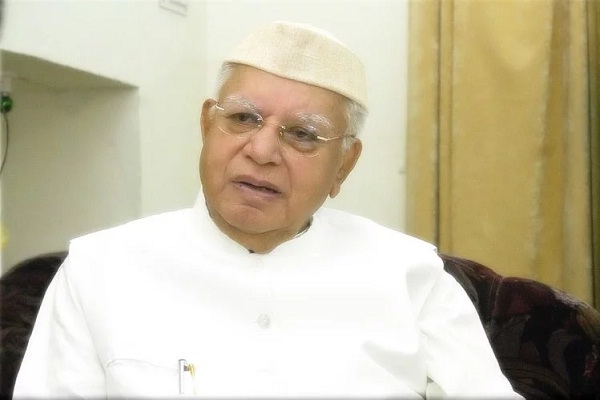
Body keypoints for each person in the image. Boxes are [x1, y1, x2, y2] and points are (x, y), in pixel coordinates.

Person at [13, 21, 523, 399]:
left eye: (302, 134)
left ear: (345, 164)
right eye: (242, 118)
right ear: (206, 126)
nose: (261, 151)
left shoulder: (411, 277)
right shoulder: (99, 269)